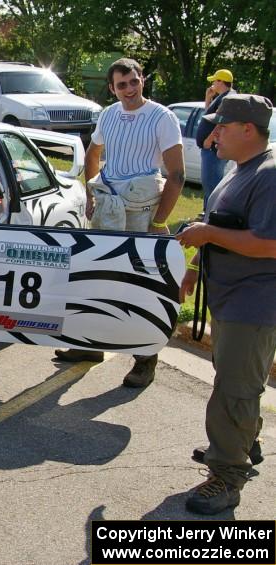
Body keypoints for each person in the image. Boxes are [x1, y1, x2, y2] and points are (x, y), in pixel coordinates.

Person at [53, 58, 185, 388]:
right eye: (121, 84)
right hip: (109, 207)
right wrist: (92, 193)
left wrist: (159, 221)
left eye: (134, 81)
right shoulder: (108, 115)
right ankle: (90, 345)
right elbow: (92, 153)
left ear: (142, 81)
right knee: (97, 276)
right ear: (112, 88)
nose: (129, 89)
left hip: (142, 209)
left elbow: (177, 175)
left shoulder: (162, 117)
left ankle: (145, 358)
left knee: (139, 285)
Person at [176, 93, 276, 514]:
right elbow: (218, 224)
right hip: (231, 296)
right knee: (234, 382)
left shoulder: (270, 175)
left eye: (222, 126)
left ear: (248, 130)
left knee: (235, 390)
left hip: (253, 305)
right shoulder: (242, 170)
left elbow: (269, 243)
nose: (213, 133)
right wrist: (197, 266)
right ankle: (240, 444)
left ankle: (227, 477)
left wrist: (208, 238)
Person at [196, 68, 236, 207]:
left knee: (211, 185)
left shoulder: (227, 98)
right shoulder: (222, 97)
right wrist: (208, 98)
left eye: (214, 81)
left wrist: (209, 140)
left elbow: (221, 122)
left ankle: (212, 216)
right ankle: (206, 213)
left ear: (221, 81)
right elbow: (208, 117)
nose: (212, 84)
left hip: (213, 149)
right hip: (211, 149)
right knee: (208, 185)